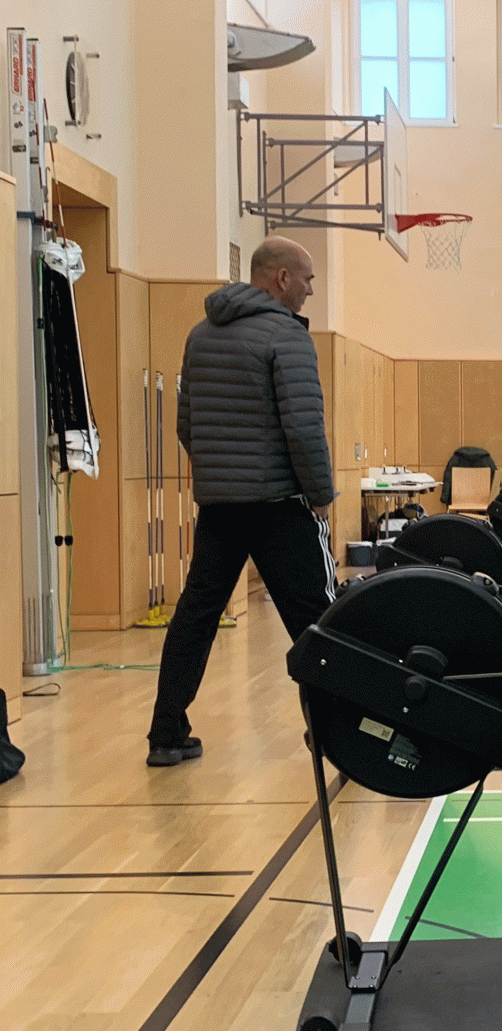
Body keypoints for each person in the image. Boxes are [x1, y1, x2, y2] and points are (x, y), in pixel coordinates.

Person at [146, 237, 337, 767]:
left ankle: (165, 733)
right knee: (318, 619)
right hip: (279, 505)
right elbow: (303, 429)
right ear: (281, 278)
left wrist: (220, 475)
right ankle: (335, 732)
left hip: (220, 506)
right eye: (307, 279)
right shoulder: (287, 335)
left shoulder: (200, 335)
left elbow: (186, 424)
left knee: (196, 616)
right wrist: (321, 495)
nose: (311, 290)